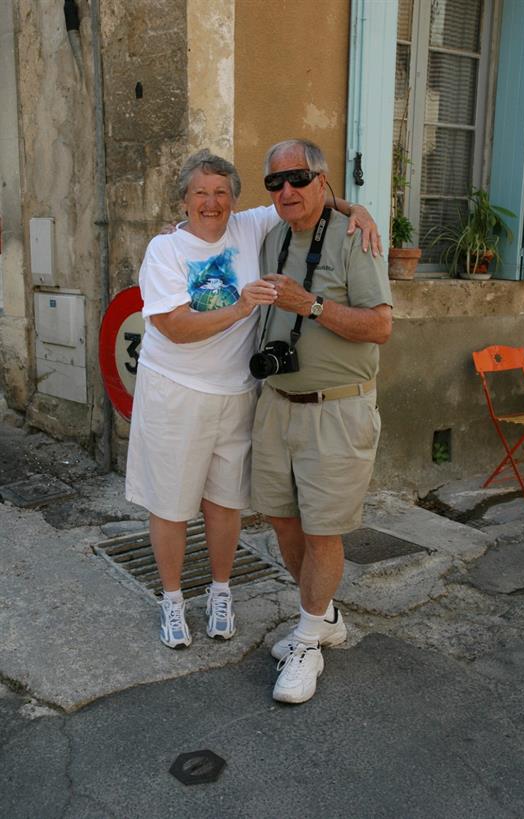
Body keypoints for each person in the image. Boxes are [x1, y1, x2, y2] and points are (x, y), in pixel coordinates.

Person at [126, 148, 381, 650]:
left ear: (235, 200)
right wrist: (242, 307)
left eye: (221, 192)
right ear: (183, 201)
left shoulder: (249, 225)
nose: (211, 202)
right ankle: (173, 600)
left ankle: (221, 592)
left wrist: (359, 210)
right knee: (171, 504)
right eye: (200, 193)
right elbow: (174, 326)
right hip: (175, 393)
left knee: (225, 503)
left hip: (238, 393)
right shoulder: (165, 250)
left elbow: (306, 197)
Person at [251, 139, 393, 703]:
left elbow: (380, 327)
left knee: (321, 530)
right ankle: (324, 616)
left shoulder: (356, 237)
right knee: (282, 520)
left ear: (322, 179)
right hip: (277, 404)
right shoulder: (272, 236)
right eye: (275, 182)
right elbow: (210, 216)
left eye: (298, 178)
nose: (286, 190)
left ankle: (308, 641)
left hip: (335, 408)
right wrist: (177, 229)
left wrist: (309, 305)